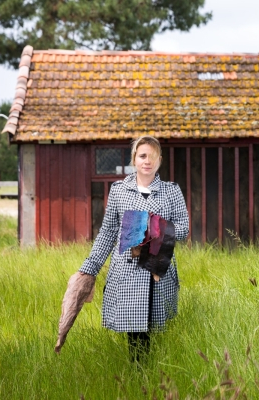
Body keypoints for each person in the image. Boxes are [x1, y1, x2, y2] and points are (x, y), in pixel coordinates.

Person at [78, 136, 189, 361]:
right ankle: (138, 379)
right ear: (134, 159)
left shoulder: (171, 191)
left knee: (154, 332)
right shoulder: (119, 190)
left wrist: (146, 227)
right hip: (127, 273)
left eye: (153, 156)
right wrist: (89, 268)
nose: (147, 161)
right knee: (135, 334)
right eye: (142, 156)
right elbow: (108, 232)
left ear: (160, 160)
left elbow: (184, 229)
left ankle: (150, 379)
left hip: (157, 272)